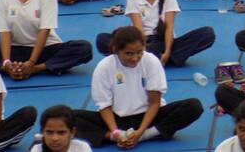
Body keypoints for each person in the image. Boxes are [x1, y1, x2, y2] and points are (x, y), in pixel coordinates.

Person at [73, 26, 204, 148]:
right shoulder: (104, 67)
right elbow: (104, 106)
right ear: (116, 50)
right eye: (128, 53)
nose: (135, 58)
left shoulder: (151, 61)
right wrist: (115, 132)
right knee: (69, 118)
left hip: (149, 116)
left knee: (193, 106)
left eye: (139, 52)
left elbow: (154, 103)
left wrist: (141, 133)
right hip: (117, 119)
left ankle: (148, 134)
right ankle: (114, 137)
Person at [96, 0, 216, 66]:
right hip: (140, 44)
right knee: (102, 39)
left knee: (207, 33)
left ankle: (154, 58)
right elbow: (139, 31)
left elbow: (169, 27)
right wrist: (141, 51)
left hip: (164, 42)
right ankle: (151, 58)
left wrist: (168, 51)